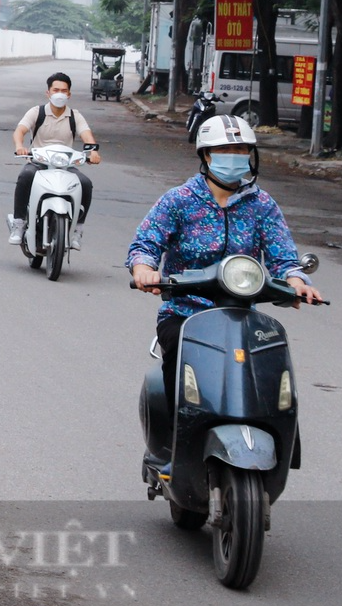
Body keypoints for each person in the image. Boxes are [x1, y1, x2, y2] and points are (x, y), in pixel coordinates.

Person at [127, 115, 325, 437]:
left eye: (242, 149)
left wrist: (297, 282)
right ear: (206, 155)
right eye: (226, 149)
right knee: (179, 362)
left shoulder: (261, 205)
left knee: (271, 365)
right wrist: (144, 269)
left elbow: (283, 256)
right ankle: (175, 442)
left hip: (242, 317)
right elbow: (146, 243)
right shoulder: (178, 201)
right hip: (185, 313)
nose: (235, 156)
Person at [9, 71, 100, 248]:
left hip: (66, 165)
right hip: (39, 162)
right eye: (56, 90)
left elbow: (87, 136)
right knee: (25, 177)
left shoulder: (75, 116)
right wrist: (19, 146)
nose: (60, 94)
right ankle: (18, 223)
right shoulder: (37, 112)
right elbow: (19, 131)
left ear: (69, 94)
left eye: (64, 91)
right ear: (48, 93)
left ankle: (77, 229)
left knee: (85, 184)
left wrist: (93, 151)